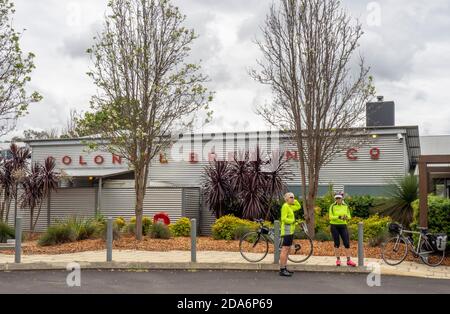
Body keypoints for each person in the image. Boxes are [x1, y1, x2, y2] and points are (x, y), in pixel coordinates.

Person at [329, 193, 356, 267]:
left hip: (343, 226)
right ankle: (338, 260)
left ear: (342, 199)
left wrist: (346, 217)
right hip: (334, 226)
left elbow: (349, 216)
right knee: (336, 243)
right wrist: (339, 217)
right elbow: (330, 217)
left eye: (339, 198)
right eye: (336, 198)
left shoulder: (345, 206)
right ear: (335, 199)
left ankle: (349, 260)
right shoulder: (332, 206)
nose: (338, 200)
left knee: (347, 243)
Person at [279, 192, 301, 277]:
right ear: (286, 199)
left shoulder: (290, 206)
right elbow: (283, 219)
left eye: (293, 197)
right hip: (286, 231)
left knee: (287, 249)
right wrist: (292, 221)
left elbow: (298, 206)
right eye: (291, 197)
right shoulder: (285, 206)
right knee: (285, 249)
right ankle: (282, 269)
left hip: (290, 231)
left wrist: (293, 199)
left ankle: (284, 268)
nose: (293, 199)